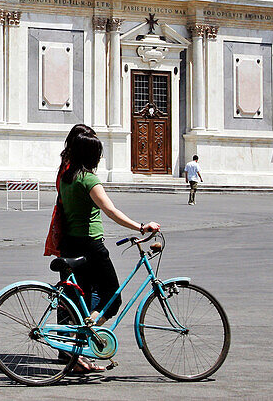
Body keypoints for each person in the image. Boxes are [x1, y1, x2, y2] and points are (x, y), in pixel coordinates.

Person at [55, 124, 160, 373]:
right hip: (90, 245)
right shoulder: (88, 179)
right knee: (112, 297)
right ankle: (87, 339)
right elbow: (111, 211)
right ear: (91, 156)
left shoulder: (66, 175)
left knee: (76, 299)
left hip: (69, 243)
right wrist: (142, 227)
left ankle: (72, 351)